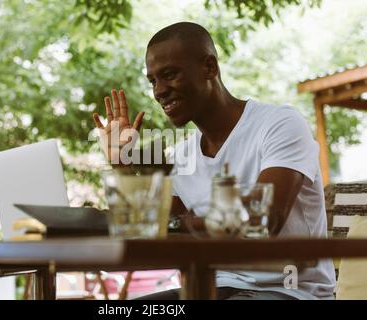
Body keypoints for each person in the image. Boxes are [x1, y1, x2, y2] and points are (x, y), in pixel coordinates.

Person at [92, 22, 336, 300]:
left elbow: (264, 220)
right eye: (153, 81)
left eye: (169, 75)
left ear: (210, 68)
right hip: (216, 287)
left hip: (289, 291)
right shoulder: (183, 155)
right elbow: (153, 227)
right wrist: (121, 164)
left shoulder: (279, 123)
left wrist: (182, 223)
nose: (159, 91)